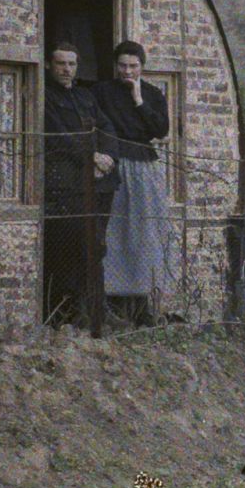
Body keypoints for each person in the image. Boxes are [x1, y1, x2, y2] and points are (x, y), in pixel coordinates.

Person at [94, 40, 174, 324]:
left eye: (134, 66)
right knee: (117, 231)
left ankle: (143, 305)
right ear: (115, 66)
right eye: (123, 66)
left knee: (145, 231)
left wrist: (139, 100)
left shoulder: (151, 94)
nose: (128, 71)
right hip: (118, 163)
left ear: (142, 67)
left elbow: (160, 129)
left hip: (145, 167)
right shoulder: (102, 91)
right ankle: (113, 303)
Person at [41, 43, 120, 328]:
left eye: (71, 64)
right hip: (68, 184)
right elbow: (57, 135)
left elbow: (106, 127)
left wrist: (108, 156)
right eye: (61, 64)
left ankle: (96, 310)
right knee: (71, 247)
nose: (66, 70)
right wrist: (90, 157)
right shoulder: (45, 96)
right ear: (49, 65)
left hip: (98, 184)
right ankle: (66, 313)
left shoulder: (86, 96)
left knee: (96, 246)